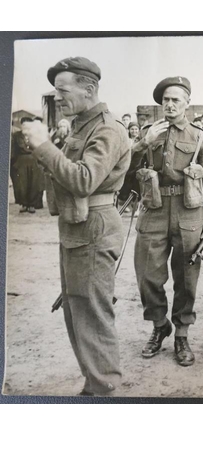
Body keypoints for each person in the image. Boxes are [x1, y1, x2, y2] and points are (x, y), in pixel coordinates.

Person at [24, 57, 131, 396]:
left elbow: (84, 180)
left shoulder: (108, 129)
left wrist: (43, 146)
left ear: (89, 89)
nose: (57, 97)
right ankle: (94, 384)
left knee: (92, 316)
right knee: (77, 312)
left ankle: (105, 391)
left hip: (93, 229)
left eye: (62, 90)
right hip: (77, 227)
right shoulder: (82, 126)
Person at [132, 76, 203, 367]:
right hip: (153, 210)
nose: (169, 104)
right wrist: (143, 144)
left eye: (175, 100)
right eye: (165, 100)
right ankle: (159, 325)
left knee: (186, 277)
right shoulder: (147, 133)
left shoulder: (201, 136)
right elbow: (122, 171)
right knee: (147, 275)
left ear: (187, 103)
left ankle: (182, 333)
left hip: (188, 211)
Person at [10, 117, 44, 213]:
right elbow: (13, 149)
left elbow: (40, 147)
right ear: (21, 125)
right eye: (24, 124)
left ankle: (32, 205)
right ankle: (24, 204)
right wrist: (13, 162)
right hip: (21, 161)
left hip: (34, 161)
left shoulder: (36, 135)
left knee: (33, 183)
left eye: (28, 124)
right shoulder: (16, 135)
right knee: (22, 184)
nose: (25, 126)